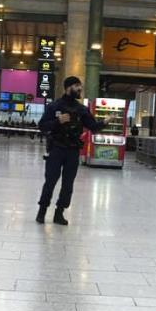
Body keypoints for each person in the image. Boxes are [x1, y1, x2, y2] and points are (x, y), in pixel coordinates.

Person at [36, 76, 107, 225]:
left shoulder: (82, 110)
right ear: (68, 88)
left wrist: (105, 122)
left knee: (68, 184)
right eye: (77, 86)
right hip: (56, 148)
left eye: (80, 86)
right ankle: (42, 211)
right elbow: (42, 126)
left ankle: (59, 213)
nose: (80, 89)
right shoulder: (54, 106)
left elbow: (93, 127)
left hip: (73, 151)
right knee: (50, 181)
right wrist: (58, 121)